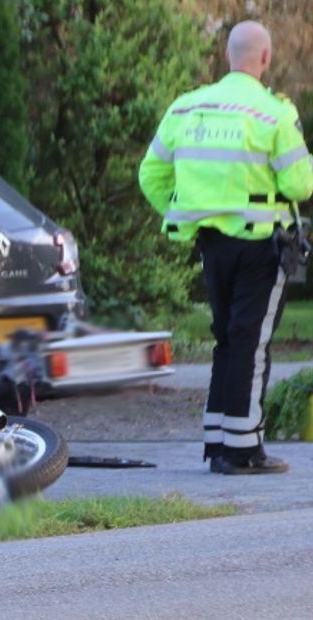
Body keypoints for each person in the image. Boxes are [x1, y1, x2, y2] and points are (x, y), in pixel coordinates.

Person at [138, 20, 313, 475]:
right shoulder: (274, 112)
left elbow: (150, 175)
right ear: (267, 58)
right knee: (250, 343)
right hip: (260, 243)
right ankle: (242, 451)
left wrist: (184, 209)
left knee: (225, 341)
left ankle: (218, 444)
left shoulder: (186, 108)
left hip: (210, 243)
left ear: (227, 56)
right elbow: (300, 182)